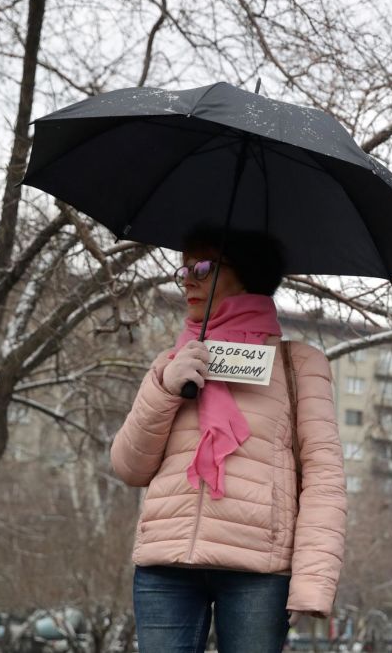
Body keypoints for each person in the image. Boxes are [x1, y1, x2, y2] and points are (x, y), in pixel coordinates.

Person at [110, 226, 347, 652]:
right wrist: (165, 387)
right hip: (166, 567)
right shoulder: (172, 362)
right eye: (182, 267)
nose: (187, 279)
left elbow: (323, 477)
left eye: (202, 266)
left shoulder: (298, 364)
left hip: (258, 572)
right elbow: (130, 467)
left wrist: (312, 581)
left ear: (247, 273)